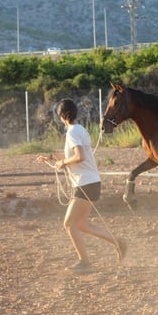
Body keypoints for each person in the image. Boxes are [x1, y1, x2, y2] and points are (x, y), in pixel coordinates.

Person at [37, 98, 126, 273]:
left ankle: (84, 262)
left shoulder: (71, 133)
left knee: (69, 224)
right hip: (91, 182)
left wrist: (62, 163)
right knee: (83, 225)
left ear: (62, 116)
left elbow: (80, 156)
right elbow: (72, 154)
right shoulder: (80, 130)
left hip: (85, 183)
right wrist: (51, 157)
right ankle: (118, 242)